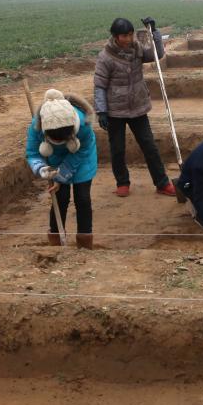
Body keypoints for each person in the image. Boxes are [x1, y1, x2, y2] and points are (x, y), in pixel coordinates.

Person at [94, 17, 176, 198]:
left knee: (149, 146)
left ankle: (162, 183)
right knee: (117, 149)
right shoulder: (105, 57)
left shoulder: (137, 49)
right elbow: (99, 85)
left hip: (138, 107)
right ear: (115, 36)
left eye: (130, 34)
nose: (129, 38)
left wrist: (154, 32)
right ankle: (122, 183)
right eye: (124, 36)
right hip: (115, 111)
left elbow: (157, 54)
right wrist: (101, 111)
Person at [25, 89, 98, 249]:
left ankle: (85, 242)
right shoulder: (37, 126)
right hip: (54, 160)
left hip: (81, 158)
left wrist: (62, 175)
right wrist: (42, 169)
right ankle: (56, 241)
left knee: (82, 198)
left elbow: (82, 151)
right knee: (60, 197)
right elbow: (32, 153)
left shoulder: (83, 124)